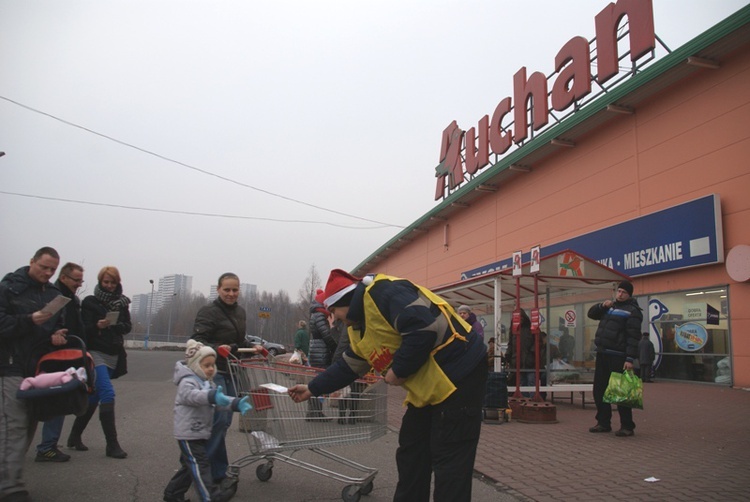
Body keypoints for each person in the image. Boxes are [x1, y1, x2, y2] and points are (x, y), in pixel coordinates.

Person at [288, 269, 487, 502]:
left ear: (345, 302)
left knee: (450, 460)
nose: (334, 319)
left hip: (462, 372)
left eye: (334, 312)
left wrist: (398, 371)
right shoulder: (358, 328)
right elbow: (348, 367)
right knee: (411, 452)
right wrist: (312, 389)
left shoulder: (385, 293)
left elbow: (423, 328)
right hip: (431, 386)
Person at [1, 246, 69, 502]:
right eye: (44, 267)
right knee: (13, 423)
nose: (48, 273)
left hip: (38, 366)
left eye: (52, 269)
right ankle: (10, 487)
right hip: (9, 364)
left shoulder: (53, 294)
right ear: (32, 261)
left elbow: (60, 325)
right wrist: (30, 320)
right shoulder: (9, 287)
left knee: (28, 422)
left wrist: (57, 335)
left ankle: (9, 478)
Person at [191, 272, 259, 491]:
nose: (231, 294)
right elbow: (198, 341)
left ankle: (212, 468)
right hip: (214, 370)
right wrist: (218, 348)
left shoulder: (240, 312)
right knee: (220, 421)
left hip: (232, 370)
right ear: (218, 289)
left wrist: (252, 346)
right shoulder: (208, 312)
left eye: (235, 289)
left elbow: (238, 342)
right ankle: (207, 469)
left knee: (223, 422)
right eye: (227, 289)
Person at [163, 340, 252, 502]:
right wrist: (211, 396)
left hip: (199, 431)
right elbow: (191, 396)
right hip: (188, 432)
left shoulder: (206, 382)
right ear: (196, 365)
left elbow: (218, 401)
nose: (211, 369)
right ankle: (210, 496)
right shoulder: (187, 381)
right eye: (206, 365)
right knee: (200, 466)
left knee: (192, 465)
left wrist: (235, 403)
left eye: (212, 365)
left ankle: (173, 493)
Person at [79, 265, 131, 459]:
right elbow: (83, 328)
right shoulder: (90, 302)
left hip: (113, 353)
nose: (109, 286)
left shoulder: (122, 303)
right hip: (95, 352)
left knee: (94, 396)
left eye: (113, 282)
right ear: (100, 282)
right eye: (106, 282)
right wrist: (97, 326)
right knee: (107, 393)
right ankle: (112, 444)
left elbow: (127, 327)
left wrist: (115, 325)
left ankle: (74, 436)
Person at [35, 262, 85, 462]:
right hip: (55, 357)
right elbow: (46, 324)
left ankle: (49, 445)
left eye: (81, 280)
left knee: (59, 401)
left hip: (68, 355)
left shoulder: (72, 299)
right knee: (55, 400)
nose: (79, 284)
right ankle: (46, 447)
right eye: (76, 280)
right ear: (64, 278)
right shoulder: (56, 298)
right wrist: (54, 335)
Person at [587, 280, 643, 437]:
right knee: (599, 390)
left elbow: (633, 337)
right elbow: (591, 314)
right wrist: (601, 306)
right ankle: (603, 422)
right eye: (619, 291)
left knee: (621, 392)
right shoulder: (610, 307)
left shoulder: (633, 311)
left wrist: (630, 358)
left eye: (624, 292)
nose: (620, 294)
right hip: (603, 353)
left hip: (619, 356)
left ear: (629, 294)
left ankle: (627, 425)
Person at [307, 289, 338, 420]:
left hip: (317, 351)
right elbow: (326, 335)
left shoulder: (316, 315)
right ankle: (315, 412)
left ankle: (314, 412)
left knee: (317, 382)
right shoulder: (320, 316)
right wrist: (335, 347)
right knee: (319, 383)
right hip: (321, 353)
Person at [504, 309, 535, 392]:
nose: (519, 320)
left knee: (531, 382)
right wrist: (508, 355)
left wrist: (532, 353)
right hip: (518, 360)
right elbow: (510, 343)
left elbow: (537, 342)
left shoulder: (530, 329)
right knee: (522, 382)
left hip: (529, 361)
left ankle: (530, 399)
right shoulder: (513, 331)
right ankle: (524, 399)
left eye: (521, 317)